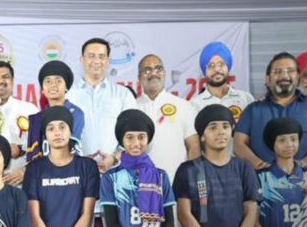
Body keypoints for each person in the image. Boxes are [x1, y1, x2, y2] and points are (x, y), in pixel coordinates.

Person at [237, 52, 307, 172]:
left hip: (303, 184)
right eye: (278, 72)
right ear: (267, 79)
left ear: (298, 76)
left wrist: (303, 164)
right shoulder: (253, 110)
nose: (284, 76)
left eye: (290, 71)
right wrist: (260, 165)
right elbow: (238, 144)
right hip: (261, 184)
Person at [67, 38, 133, 169]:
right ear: (82, 59)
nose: (96, 61)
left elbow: (134, 133)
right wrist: (77, 159)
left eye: (101, 56)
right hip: (77, 172)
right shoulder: (68, 95)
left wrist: (114, 158)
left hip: (115, 171)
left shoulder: (123, 94)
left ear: (108, 61)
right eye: (91, 56)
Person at [131, 54, 195, 179]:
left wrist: (192, 179)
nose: (153, 73)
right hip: (141, 186)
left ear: (164, 73)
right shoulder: (132, 107)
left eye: (158, 68)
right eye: (147, 70)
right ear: (139, 77)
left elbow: (193, 145)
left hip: (176, 186)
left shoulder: (183, 106)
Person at [24, 61, 87, 162]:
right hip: (42, 172)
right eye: (48, 81)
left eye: (58, 81)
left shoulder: (75, 113)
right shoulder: (37, 118)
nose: (53, 85)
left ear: (66, 87)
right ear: (42, 90)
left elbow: (69, 146)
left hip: (71, 169)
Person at [188, 42, 253, 122]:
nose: (217, 69)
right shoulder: (194, 104)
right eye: (211, 65)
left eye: (221, 64)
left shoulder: (246, 98)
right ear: (205, 71)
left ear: (228, 67)